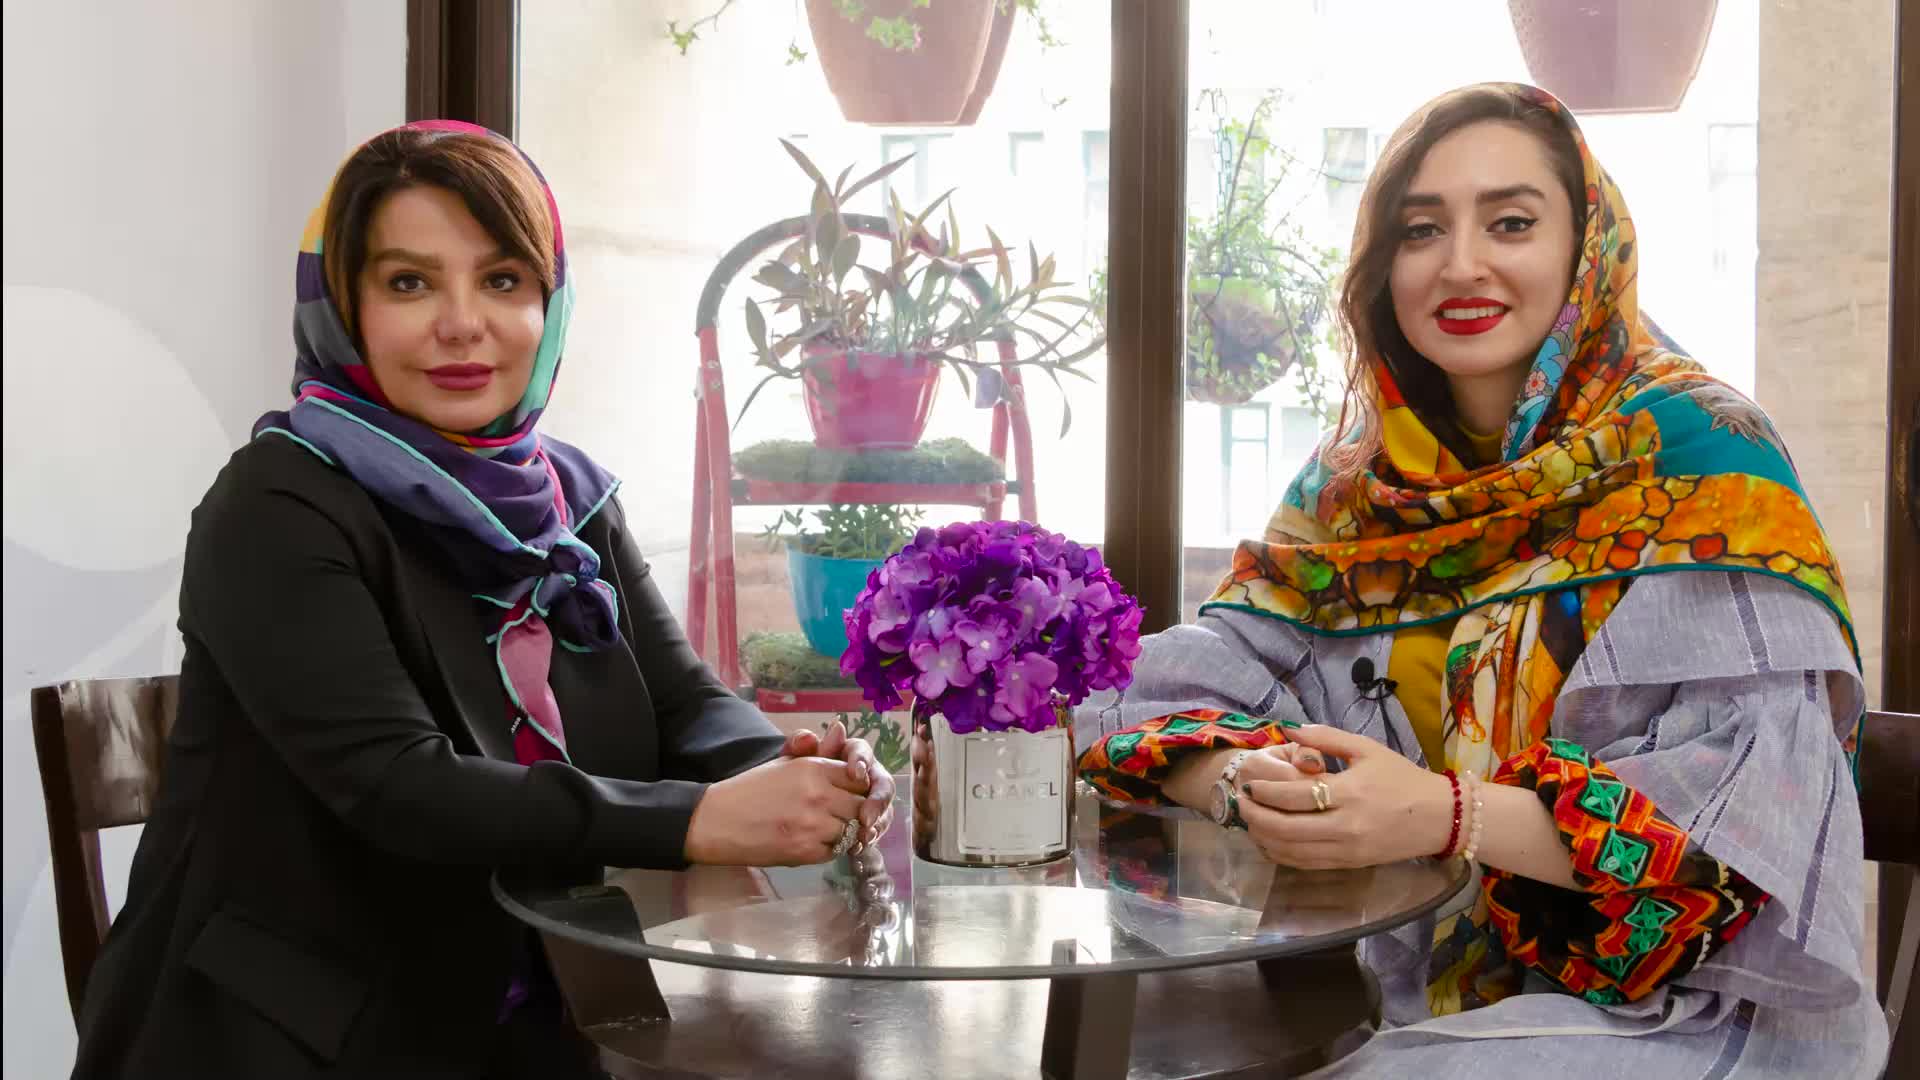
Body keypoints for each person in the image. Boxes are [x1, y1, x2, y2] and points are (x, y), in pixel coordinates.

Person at [1076, 84, 1887, 1076]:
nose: (1460, 264)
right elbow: (1172, 688)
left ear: (1586, 247)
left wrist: (1441, 813)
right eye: (1421, 230)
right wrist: (1239, 780)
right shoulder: (1359, 487)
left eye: (1510, 223)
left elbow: (1742, 826)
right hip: (1392, 994)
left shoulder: (1701, 460)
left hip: (1688, 1013)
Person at [70, 120, 894, 1079]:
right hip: (286, 1042)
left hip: (532, 1027)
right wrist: (696, 821)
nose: (462, 324)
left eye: (502, 280)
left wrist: (791, 768)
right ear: (343, 306)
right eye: (408, 283)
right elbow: (398, 785)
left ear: (550, 302)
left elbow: (683, 705)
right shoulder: (274, 506)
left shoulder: (569, 499)